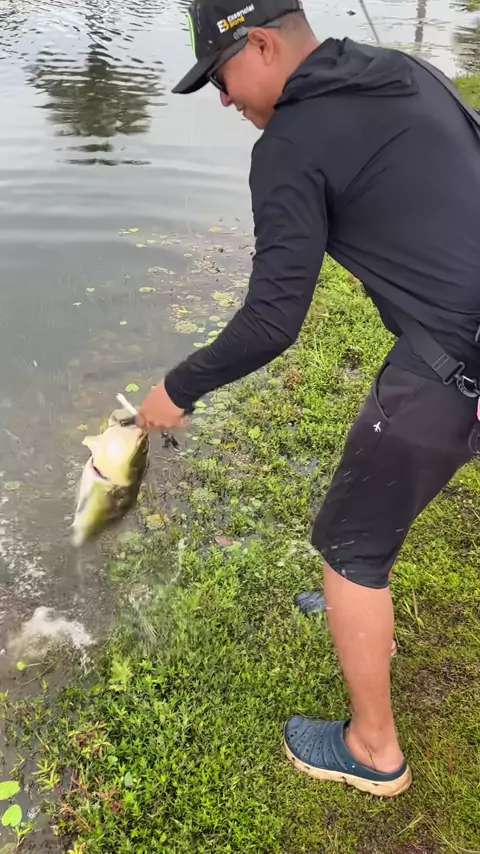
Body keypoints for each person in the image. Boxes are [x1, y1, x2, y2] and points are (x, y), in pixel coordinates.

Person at [139, 0, 480, 798]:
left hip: (452, 368)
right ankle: (355, 609)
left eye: (221, 79)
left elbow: (271, 321)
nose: (224, 100)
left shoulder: (290, 143)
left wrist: (177, 388)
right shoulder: (399, 70)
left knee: (349, 545)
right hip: (464, 342)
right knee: (377, 505)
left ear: (260, 44)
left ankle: (372, 750)